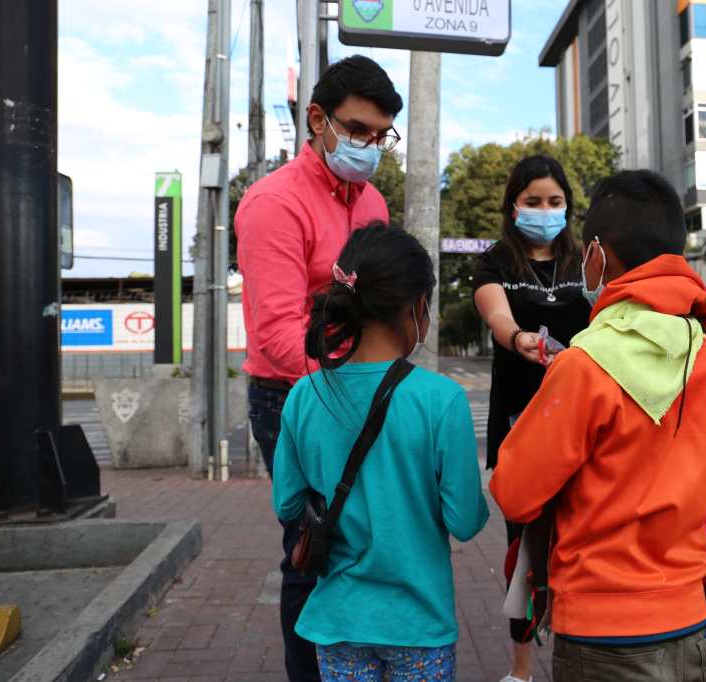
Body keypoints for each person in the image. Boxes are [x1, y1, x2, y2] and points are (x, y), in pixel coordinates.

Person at [490, 170, 706, 682]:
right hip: (694, 625)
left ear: (597, 254)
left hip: (604, 635)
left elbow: (514, 492)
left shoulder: (584, 366)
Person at [235, 55, 403, 681]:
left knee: (362, 544)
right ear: (317, 120)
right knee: (311, 552)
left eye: (379, 136)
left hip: (358, 390)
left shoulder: (374, 205)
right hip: (292, 399)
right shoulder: (274, 204)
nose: (368, 146)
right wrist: (359, 375)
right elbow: (278, 335)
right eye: (357, 130)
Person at [272, 224, 489, 681]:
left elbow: (287, 505)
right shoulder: (441, 399)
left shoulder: (304, 395)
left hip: (338, 619)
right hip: (418, 622)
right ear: (418, 309)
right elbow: (465, 521)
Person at [471, 154, 590, 682]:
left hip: (581, 423)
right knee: (523, 550)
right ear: (513, 205)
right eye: (533, 201)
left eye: (555, 202)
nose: (545, 211)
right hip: (519, 427)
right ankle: (521, 671)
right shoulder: (496, 260)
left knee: (579, 545)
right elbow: (496, 312)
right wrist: (517, 336)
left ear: (568, 206)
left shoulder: (586, 261)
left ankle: (572, 652)